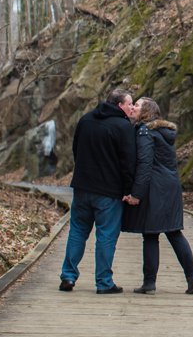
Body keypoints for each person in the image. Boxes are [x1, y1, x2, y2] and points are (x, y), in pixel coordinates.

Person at [59, 88, 138, 294]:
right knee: (106, 236)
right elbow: (128, 162)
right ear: (120, 105)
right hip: (109, 192)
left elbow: (76, 150)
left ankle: (68, 276)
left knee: (77, 231)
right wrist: (129, 189)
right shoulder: (123, 126)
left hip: (82, 187)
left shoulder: (86, 120)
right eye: (130, 104)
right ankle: (104, 282)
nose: (132, 107)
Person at [122, 97, 193, 295]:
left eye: (138, 105)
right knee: (174, 231)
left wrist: (136, 194)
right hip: (171, 186)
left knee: (150, 234)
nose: (134, 107)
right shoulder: (164, 132)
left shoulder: (144, 131)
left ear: (146, 112)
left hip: (154, 187)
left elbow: (145, 163)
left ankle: (149, 283)